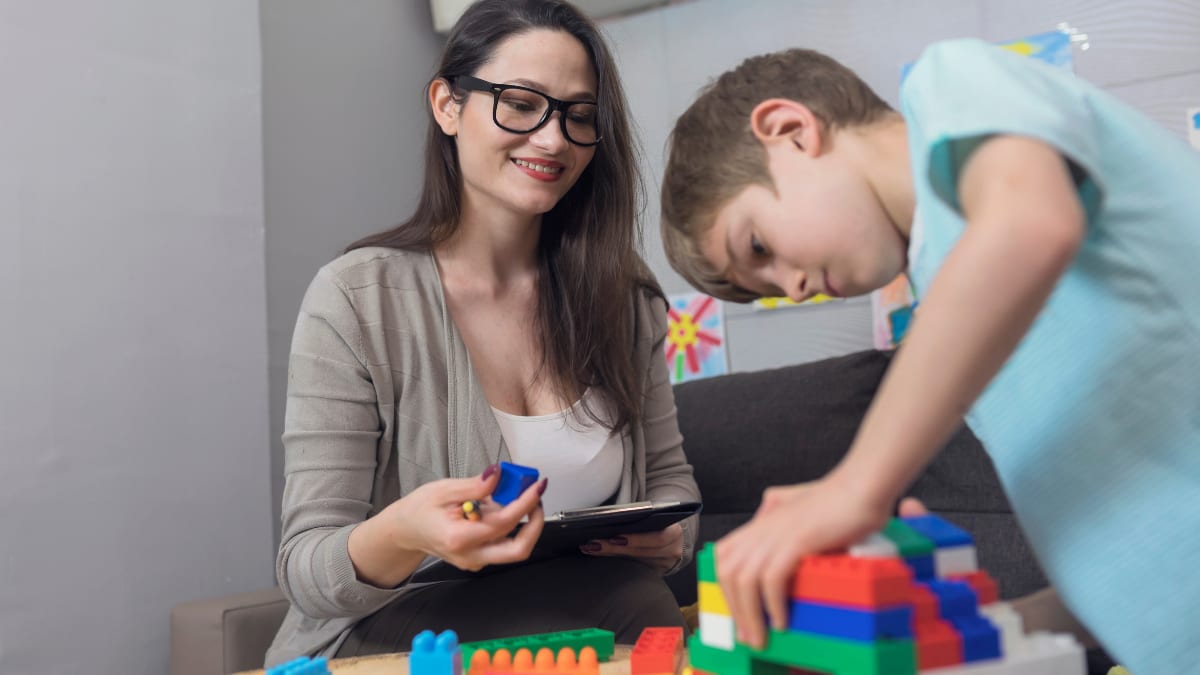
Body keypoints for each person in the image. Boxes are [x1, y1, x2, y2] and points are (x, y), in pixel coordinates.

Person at [658, 38, 1200, 674]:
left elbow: (1031, 223)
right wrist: (954, 633)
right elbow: (1127, 562)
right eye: (769, 288)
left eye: (757, 246)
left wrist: (855, 486)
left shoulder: (953, 82)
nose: (794, 288)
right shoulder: (956, 315)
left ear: (790, 130)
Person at [265, 0, 700, 666]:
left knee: (634, 589)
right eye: (521, 103)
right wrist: (406, 533)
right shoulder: (356, 298)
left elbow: (675, 491)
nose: (553, 139)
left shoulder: (624, 299)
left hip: (586, 609)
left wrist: (669, 538)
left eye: (578, 116)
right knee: (633, 601)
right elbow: (305, 566)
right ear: (447, 105)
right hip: (390, 634)